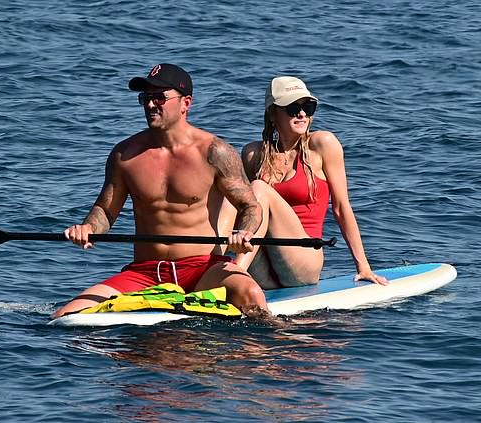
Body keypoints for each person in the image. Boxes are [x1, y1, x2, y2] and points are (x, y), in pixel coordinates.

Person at [51, 63, 269, 319]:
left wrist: (244, 232)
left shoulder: (215, 152)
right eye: (145, 97)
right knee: (65, 316)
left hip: (202, 269)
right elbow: (105, 210)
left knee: (252, 295)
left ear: (186, 103)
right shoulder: (125, 155)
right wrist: (88, 228)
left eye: (159, 97)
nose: (150, 104)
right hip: (145, 273)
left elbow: (250, 206)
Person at [219, 76, 387, 288]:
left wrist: (363, 267)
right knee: (230, 195)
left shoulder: (322, 144)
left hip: (303, 260)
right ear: (272, 113)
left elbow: (341, 208)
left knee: (258, 188)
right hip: (262, 260)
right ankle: (209, 267)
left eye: (308, 107)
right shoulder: (253, 154)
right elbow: (240, 209)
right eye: (292, 108)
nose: (302, 114)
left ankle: (233, 275)